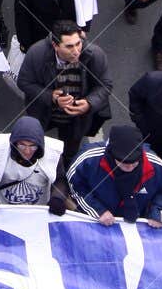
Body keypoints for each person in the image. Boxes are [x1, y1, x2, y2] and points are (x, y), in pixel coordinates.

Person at [16, 21, 112, 185]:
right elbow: (24, 82)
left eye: (78, 44)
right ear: (55, 45)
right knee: (37, 144)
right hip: (44, 112)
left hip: (76, 118)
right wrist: (51, 97)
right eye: (69, 46)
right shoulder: (36, 54)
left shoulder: (94, 55)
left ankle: (64, 173)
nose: (76, 51)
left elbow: (105, 85)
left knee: (70, 150)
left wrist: (89, 103)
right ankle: (34, 169)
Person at [66, 124, 162, 227]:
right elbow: (74, 186)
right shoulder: (88, 160)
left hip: (136, 220)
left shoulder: (158, 167)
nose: (130, 167)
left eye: (134, 162)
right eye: (124, 163)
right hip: (97, 220)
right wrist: (98, 210)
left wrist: (158, 212)